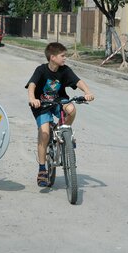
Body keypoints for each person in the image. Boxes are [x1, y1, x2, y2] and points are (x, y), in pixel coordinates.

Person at [25, 42, 94, 187]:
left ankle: (63, 131)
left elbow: (78, 81)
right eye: (62, 56)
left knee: (72, 109)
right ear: (52, 57)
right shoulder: (41, 70)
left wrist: (87, 92)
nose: (65, 58)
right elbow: (32, 85)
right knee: (44, 134)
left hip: (58, 100)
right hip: (41, 104)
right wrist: (32, 98)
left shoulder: (65, 70)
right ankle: (42, 169)